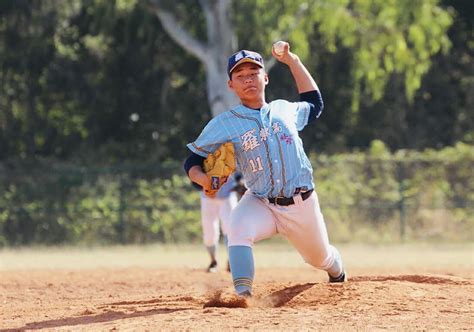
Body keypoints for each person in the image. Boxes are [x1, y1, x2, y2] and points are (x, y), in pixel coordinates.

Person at [184, 42, 345, 297]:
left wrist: (292, 60)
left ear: (265, 78)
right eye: (240, 76)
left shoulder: (284, 109)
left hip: (301, 203)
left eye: (253, 73)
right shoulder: (224, 124)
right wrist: (204, 180)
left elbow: (315, 104)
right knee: (236, 226)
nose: (248, 79)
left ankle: (337, 270)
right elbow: (192, 161)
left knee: (320, 257)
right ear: (231, 85)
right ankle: (243, 295)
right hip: (260, 201)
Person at [190, 172, 246, 272]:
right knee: (209, 232)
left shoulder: (231, 156)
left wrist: (240, 182)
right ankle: (213, 261)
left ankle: (231, 261)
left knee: (231, 230)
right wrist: (204, 187)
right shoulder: (204, 156)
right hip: (207, 198)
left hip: (228, 196)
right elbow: (194, 178)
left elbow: (238, 173)